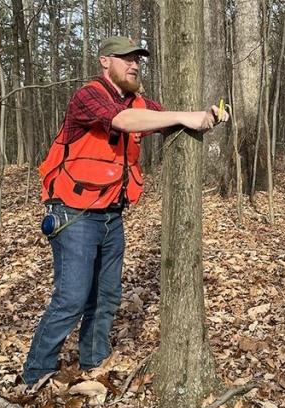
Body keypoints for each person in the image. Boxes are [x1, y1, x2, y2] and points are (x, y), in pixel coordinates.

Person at [22, 36, 229, 386]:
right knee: (71, 298)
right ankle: (37, 373)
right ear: (105, 62)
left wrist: (206, 116)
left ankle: (93, 361)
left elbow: (162, 119)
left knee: (106, 296)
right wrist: (183, 116)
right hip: (73, 213)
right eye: (125, 59)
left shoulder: (137, 101)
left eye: (137, 59)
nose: (134, 65)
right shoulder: (88, 96)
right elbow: (123, 120)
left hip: (111, 215)